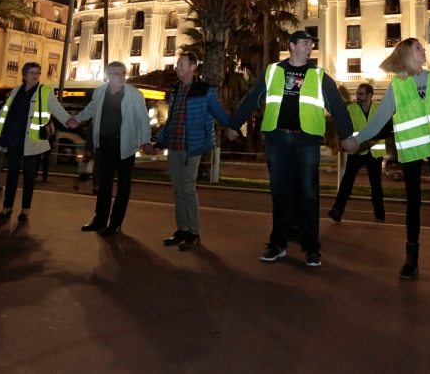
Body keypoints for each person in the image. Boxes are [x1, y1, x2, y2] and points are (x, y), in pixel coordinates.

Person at [342, 38, 430, 284]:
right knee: (413, 204)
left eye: (422, 47)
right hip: (411, 150)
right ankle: (411, 260)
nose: (424, 50)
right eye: (418, 47)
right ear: (407, 54)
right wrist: (358, 140)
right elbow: (379, 121)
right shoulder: (397, 86)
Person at [228, 31, 354, 267]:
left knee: (307, 195)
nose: (310, 47)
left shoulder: (319, 76)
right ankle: (277, 244)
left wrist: (347, 135)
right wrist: (234, 124)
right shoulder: (273, 71)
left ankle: (311, 247)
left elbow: (338, 107)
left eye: (312, 44)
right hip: (277, 141)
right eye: (306, 43)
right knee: (280, 194)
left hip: (306, 142)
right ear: (292, 46)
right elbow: (252, 99)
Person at [151, 52, 232, 250]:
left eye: (181, 64)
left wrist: (232, 126)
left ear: (193, 67)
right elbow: (171, 121)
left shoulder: (204, 90)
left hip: (192, 147)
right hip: (175, 146)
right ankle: (182, 230)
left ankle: (193, 232)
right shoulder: (176, 90)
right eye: (177, 64)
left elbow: (218, 112)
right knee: (178, 190)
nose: (177, 67)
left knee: (187, 188)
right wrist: (159, 143)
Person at [71, 61, 151, 235]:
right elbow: (91, 109)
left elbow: (143, 119)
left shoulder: (134, 94)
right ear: (108, 76)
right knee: (103, 184)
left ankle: (115, 223)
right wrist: (77, 119)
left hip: (125, 145)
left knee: (123, 185)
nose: (121, 77)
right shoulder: (100, 92)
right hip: (105, 144)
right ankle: (99, 220)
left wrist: (146, 141)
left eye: (123, 73)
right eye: (116, 74)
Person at [0, 62, 74, 221]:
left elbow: (57, 109)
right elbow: (4, 111)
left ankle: (25, 209)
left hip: (32, 139)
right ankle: (7, 208)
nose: (35, 75)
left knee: (29, 175)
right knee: (12, 173)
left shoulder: (45, 91)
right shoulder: (16, 90)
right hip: (13, 136)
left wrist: (68, 120)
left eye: (38, 72)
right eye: (32, 72)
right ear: (25, 74)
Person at [329, 83, 393, 224]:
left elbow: (386, 131)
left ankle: (380, 215)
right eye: (357, 93)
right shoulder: (350, 109)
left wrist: (369, 140)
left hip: (374, 153)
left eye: (361, 94)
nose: (358, 96)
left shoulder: (379, 109)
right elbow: (342, 128)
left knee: (376, 185)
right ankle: (337, 209)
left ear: (370, 95)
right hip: (356, 151)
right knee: (347, 181)